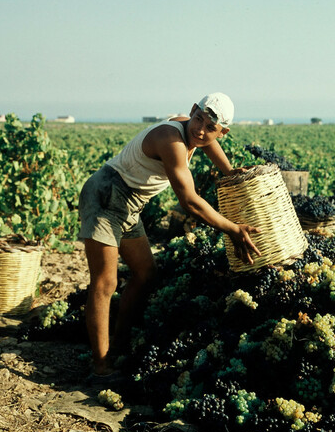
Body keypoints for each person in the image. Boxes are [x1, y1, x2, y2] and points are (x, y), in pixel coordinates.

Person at [78, 92, 261, 381]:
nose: (200, 129)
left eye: (210, 127)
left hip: (129, 204)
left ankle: (118, 345)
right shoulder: (172, 139)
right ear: (192, 110)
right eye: (198, 118)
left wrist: (228, 171)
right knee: (105, 282)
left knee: (146, 274)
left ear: (222, 133)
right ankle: (100, 367)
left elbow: (207, 144)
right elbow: (189, 201)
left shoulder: (196, 135)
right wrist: (233, 229)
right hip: (106, 195)